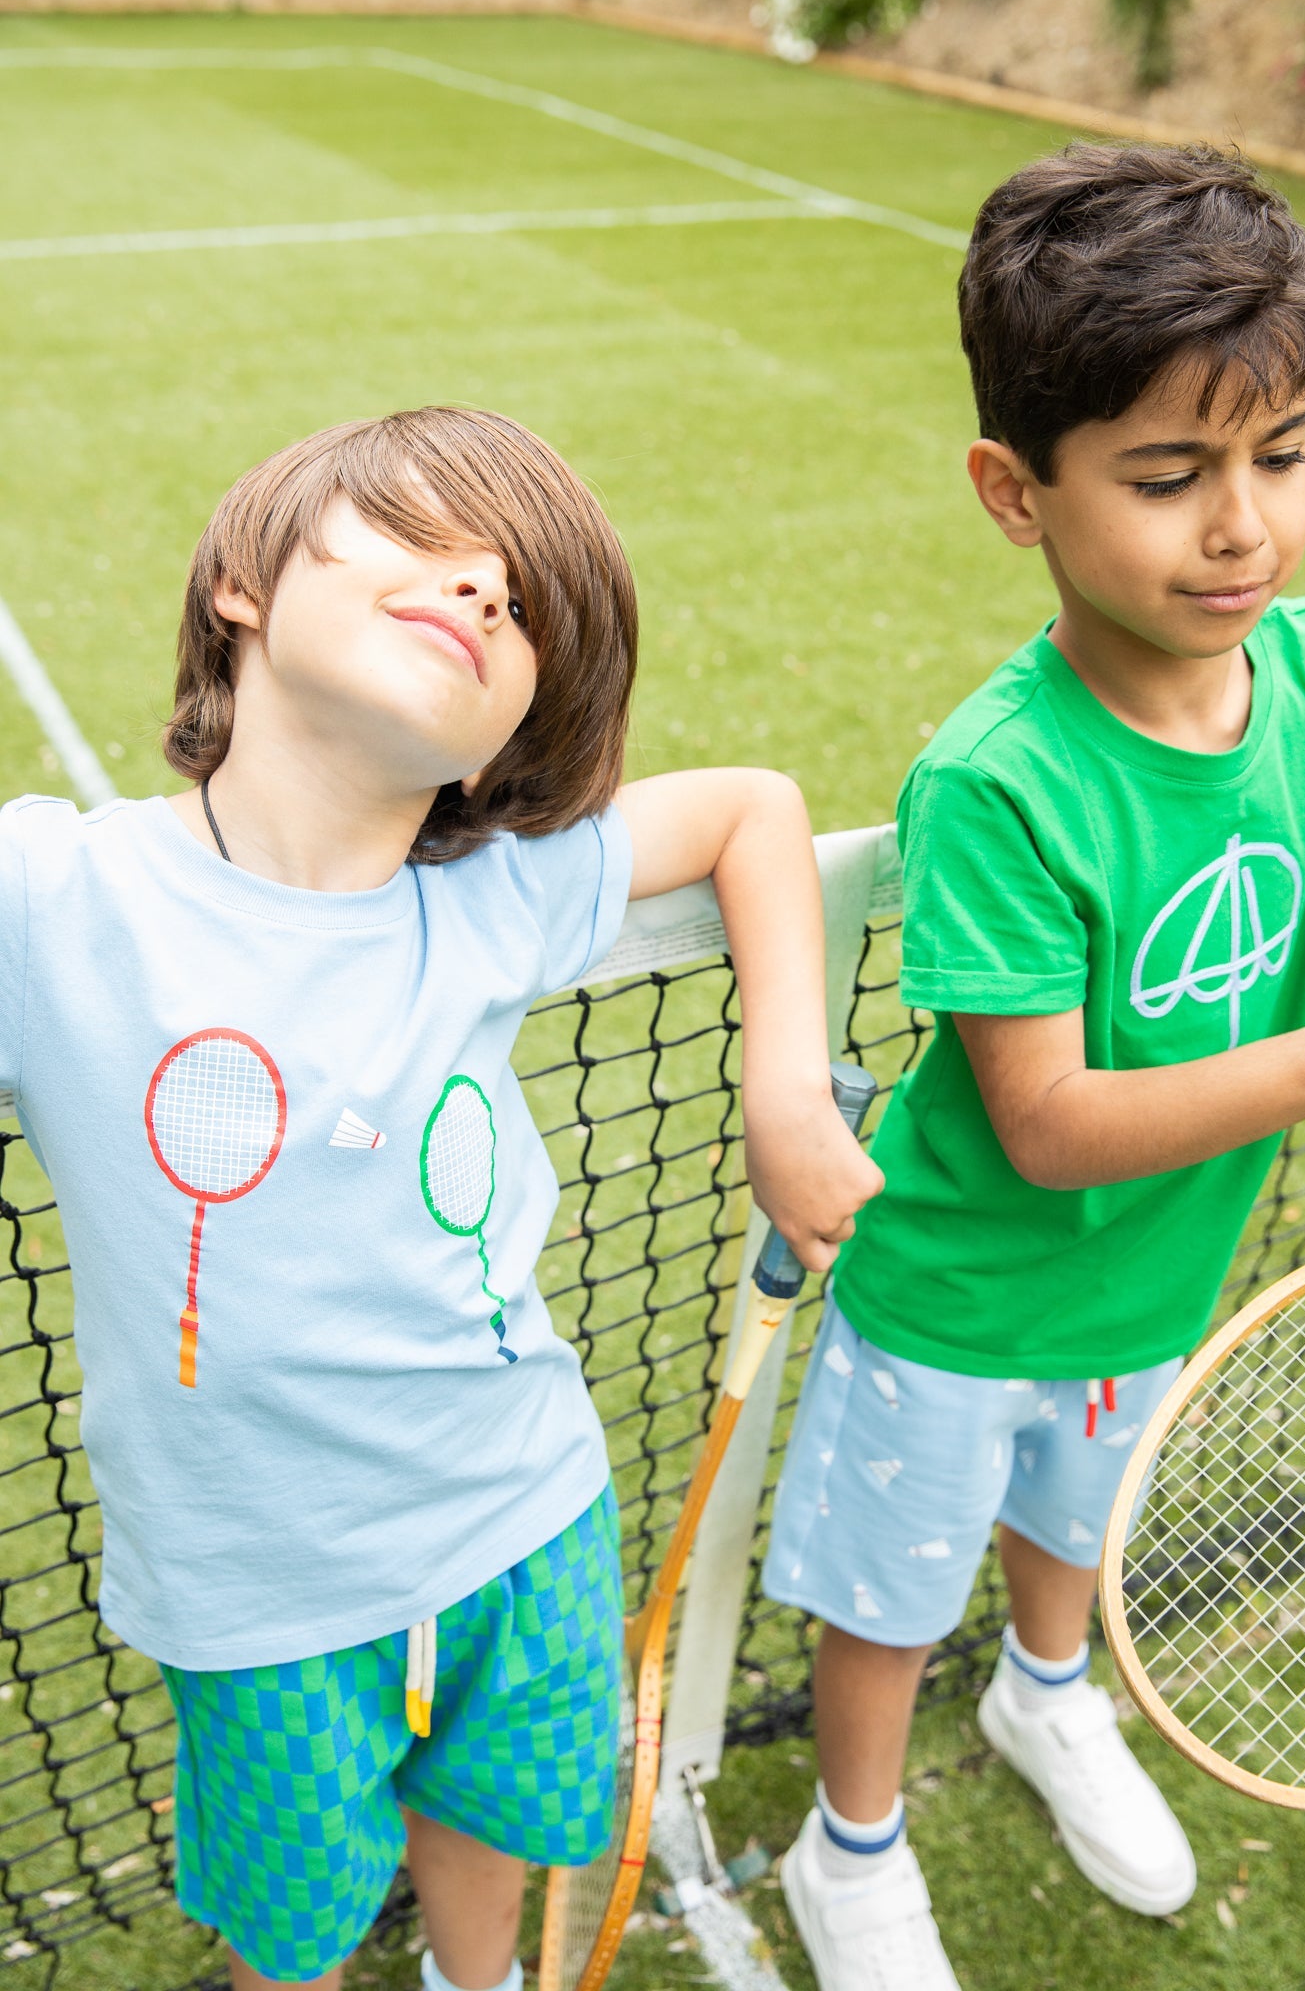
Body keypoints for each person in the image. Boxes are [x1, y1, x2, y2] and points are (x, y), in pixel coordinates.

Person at [0, 407, 881, 1991]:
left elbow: (751, 808)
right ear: (242, 588)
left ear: (506, 742)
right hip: (259, 1601)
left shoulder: (498, 893)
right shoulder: (51, 897)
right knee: (291, 1931)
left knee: (490, 1832)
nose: (478, 585)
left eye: (521, 602)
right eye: (419, 536)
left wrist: (786, 1091)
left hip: (527, 1516)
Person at [763, 142, 1305, 1990]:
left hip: (1158, 1284)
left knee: (1072, 1530)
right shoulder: (998, 781)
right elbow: (1052, 1127)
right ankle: (848, 1849)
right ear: (1015, 493)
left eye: (1281, 455)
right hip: (959, 1302)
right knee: (885, 1601)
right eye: (1167, 478)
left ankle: (1044, 1692)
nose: (1239, 527)